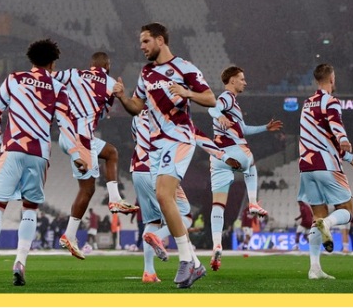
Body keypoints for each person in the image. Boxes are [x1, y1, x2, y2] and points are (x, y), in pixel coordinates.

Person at [111, 22, 216, 289]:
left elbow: (210, 98)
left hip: (179, 138)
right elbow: (138, 107)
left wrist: (187, 92)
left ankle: (186, 261)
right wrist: (123, 98)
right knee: (166, 202)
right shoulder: (145, 73)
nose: (142, 47)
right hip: (158, 146)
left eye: (146, 41)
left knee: (163, 196)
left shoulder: (185, 68)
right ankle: (195, 263)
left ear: (160, 40)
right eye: (141, 42)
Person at [0, 38, 68, 288]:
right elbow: (66, 124)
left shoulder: (14, 79)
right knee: (30, 209)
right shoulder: (57, 87)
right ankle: (20, 262)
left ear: (31, 59)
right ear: (52, 61)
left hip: (12, 148)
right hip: (39, 154)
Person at [53, 51, 135, 260]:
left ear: (91, 64)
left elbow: (50, 77)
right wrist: (119, 92)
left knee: (104, 162)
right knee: (97, 175)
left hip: (66, 135)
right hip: (81, 139)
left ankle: (71, 234)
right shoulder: (109, 83)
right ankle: (112, 201)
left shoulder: (74, 74)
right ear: (107, 66)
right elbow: (106, 111)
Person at [204, 65, 282, 272]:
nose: (245, 82)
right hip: (233, 151)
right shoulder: (227, 97)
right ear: (231, 81)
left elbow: (244, 129)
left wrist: (265, 128)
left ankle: (216, 245)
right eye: (242, 78)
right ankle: (254, 203)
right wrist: (218, 115)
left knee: (218, 205)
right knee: (251, 162)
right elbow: (213, 106)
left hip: (218, 157)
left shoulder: (234, 104)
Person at [298, 63, 353, 280]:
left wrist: (348, 157)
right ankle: (328, 223)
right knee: (347, 211)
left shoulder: (307, 103)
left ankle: (314, 268)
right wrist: (345, 141)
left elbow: (320, 135)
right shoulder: (331, 101)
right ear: (331, 78)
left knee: (317, 216)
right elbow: (334, 123)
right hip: (326, 165)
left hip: (305, 167)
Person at [129, 108, 191, 284]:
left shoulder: (137, 116)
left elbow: (136, 138)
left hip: (136, 170)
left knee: (152, 221)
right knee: (185, 217)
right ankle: (159, 237)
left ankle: (149, 272)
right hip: (155, 170)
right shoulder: (165, 114)